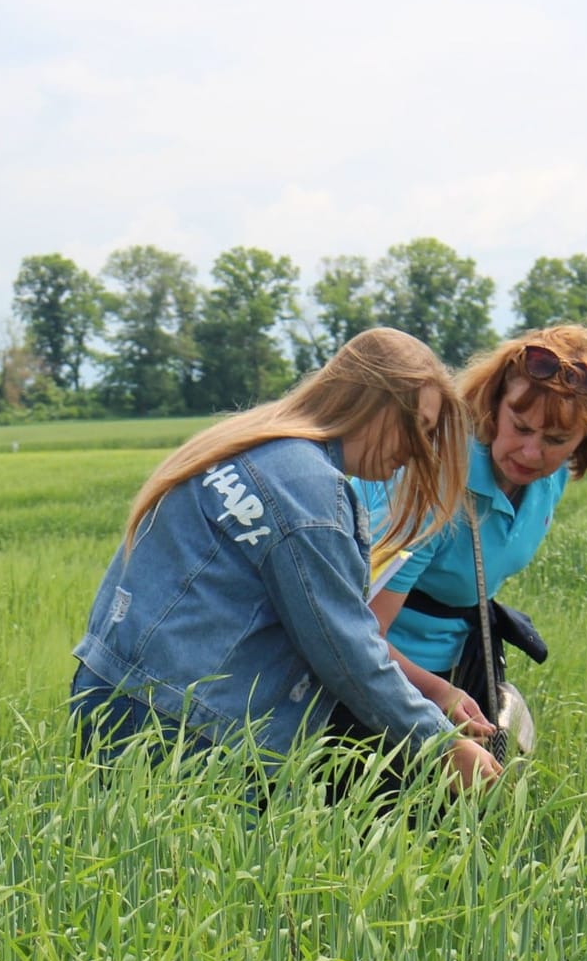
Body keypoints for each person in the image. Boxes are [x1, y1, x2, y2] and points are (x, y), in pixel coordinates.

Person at [70, 327, 501, 789]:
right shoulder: (308, 490)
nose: (417, 451)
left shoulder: (252, 443)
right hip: (182, 727)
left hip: (113, 692)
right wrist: (441, 745)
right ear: (373, 402)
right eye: (419, 426)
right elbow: (346, 651)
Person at [357, 324, 587, 743]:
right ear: (492, 407)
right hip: (373, 680)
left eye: (556, 439)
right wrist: (436, 694)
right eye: (520, 427)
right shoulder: (434, 483)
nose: (531, 452)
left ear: (585, 439)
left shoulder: (550, 477)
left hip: (457, 666)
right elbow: (360, 634)